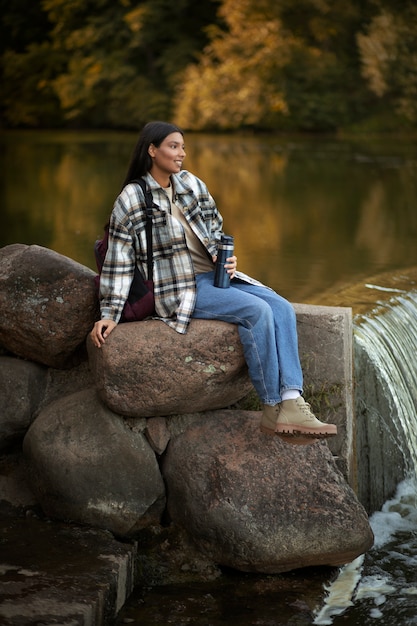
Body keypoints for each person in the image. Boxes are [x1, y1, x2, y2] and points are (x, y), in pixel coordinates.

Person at [90, 121, 337, 444]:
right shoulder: (133, 198)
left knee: (281, 307)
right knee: (257, 312)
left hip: (217, 277)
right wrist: (109, 312)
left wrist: (227, 258)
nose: (182, 154)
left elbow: (216, 227)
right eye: (174, 146)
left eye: (183, 147)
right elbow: (119, 260)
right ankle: (272, 406)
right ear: (152, 150)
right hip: (179, 289)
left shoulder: (191, 183)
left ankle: (292, 398)